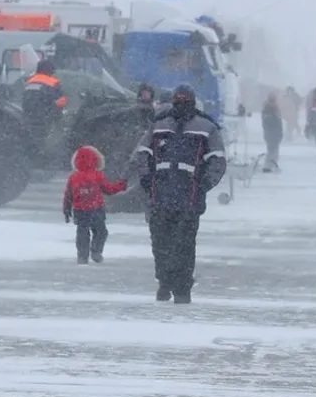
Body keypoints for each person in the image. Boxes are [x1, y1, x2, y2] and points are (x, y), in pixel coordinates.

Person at [131, 84, 226, 304]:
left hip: (189, 198)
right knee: (161, 242)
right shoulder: (158, 125)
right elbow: (142, 154)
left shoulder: (207, 127)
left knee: (183, 243)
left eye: (185, 101)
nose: (181, 106)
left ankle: (182, 288)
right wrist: (146, 178)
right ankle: (165, 282)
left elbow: (218, 161)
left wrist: (204, 184)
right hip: (160, 195)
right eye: (178, 101)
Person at [63, 145, 127, 264]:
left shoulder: (73, 177)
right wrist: (121, 186)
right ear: (96, 160)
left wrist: (66, 210)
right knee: (101, 232)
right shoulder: (97, 176)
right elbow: (109, 189)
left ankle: (82, 256)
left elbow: (68, 195)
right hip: (96, 209)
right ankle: (96, 251)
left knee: (82, 232)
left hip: (80, 210)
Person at [260, 93, 282, 172]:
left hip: (273, 133)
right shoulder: (269, 109)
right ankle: (268, 166)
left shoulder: (272, 108)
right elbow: (273, 122)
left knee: (273, 150)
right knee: (272, 150)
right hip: (272, 133)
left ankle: (272, 165)